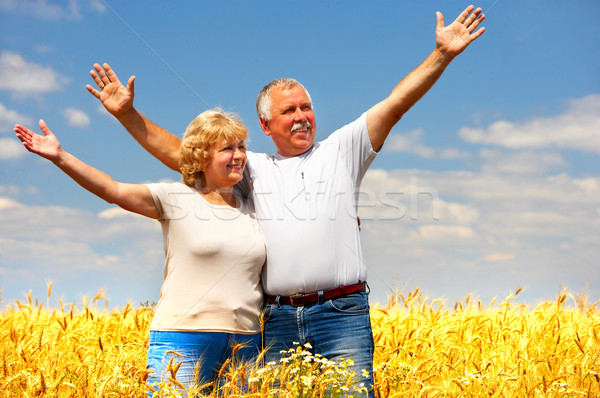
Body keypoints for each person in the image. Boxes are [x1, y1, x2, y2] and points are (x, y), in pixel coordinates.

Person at [86, 6, 485, 395]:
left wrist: (442, 55)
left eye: (306, 107)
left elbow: (394, 105)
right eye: (289, 110)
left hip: (341, 317)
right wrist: (127, 116)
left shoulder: (343, 150)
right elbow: (184, 153)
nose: (301, 116)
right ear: (265, 124)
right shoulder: (252, 167)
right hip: (276, 319)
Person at [14, 110, 266, 396]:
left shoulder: (255, 208)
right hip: (183, 339)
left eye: (242, 146)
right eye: (227, 148)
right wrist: (61, 157)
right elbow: (112, 189)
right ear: (202, 157)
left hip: (245, 343)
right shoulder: (176, 198)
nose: (239, 155)